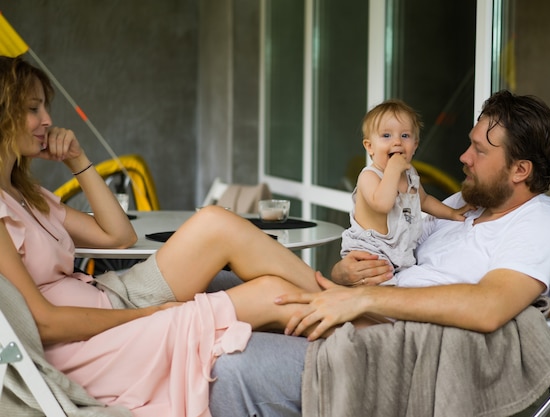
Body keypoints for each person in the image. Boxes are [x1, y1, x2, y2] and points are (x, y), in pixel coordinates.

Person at [0, 55, 326, 416]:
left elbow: (118, 237)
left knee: (216, 223)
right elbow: (43, 323)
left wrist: (78, 160)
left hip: (112, 298)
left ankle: (348, 300)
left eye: (45, 106)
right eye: (33, 108)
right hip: (87, 347)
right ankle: (370, 331)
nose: (47, 120)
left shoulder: (26, 195)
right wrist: (151, 316)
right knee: (270, 294)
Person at [209, 89, 550, 416]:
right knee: (219, 275)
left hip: (385, 339)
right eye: (469, 145)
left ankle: (168, 325)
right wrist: (345, 274)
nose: (464, 157)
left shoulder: (538, 221)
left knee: (225, 363)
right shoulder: (462, 206)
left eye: (480, 151)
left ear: (521, 170)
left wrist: (365, 299)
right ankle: (166, 323)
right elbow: (387, 244)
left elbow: (489, 306)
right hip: (363, 310)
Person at [341, 99, 471, 285]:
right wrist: (393, 170)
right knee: (379, 299)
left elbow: (424, 200)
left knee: (400, 293)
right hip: (369, 253)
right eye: (386, 135)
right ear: (369, 146)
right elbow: (382, 204)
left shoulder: (410, 174)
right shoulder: (369, 176)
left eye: (405, 136)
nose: (397, 142)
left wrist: (451, 213)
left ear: (415, 145)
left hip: (399, 252)